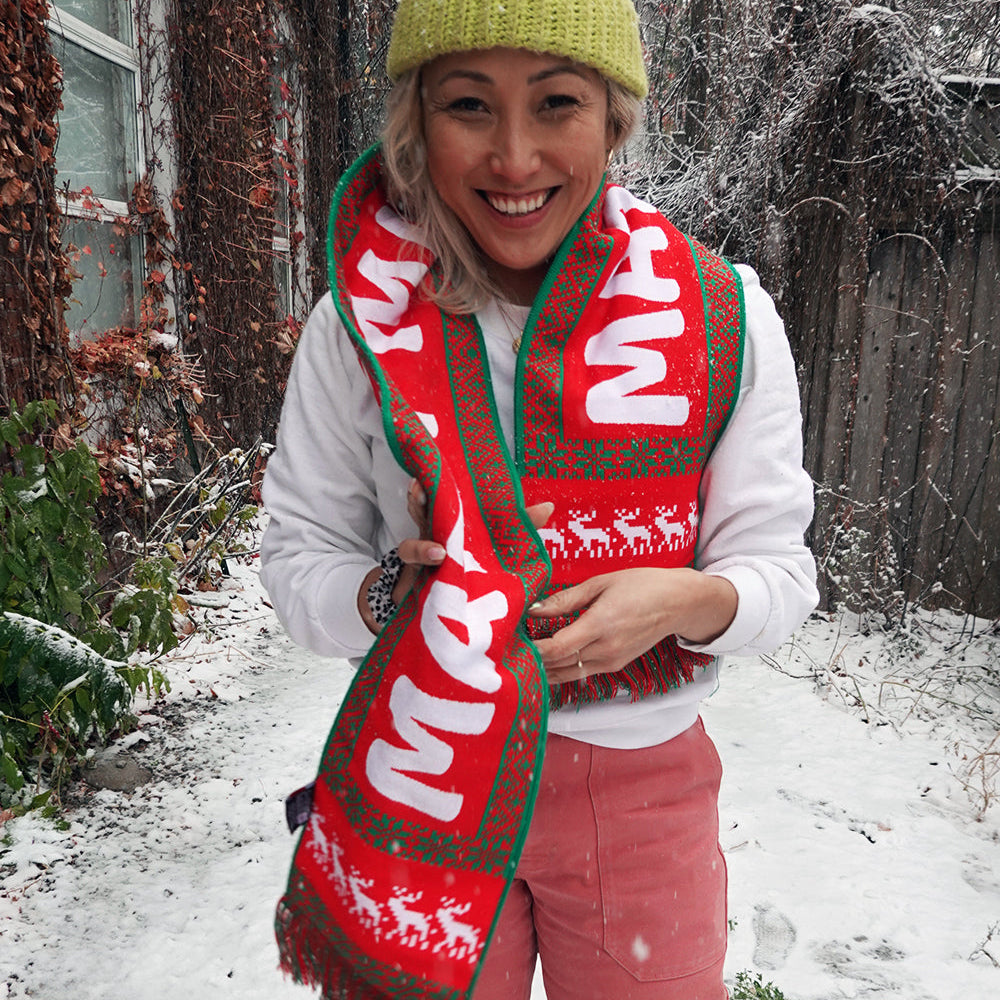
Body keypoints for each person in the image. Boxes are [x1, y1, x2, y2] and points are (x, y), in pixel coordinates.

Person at [260, 1, 818, 998]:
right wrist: (384, 599)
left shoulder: (720, 317)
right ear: (415, 122)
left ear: (611, 119)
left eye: (555, 102)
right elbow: (300, 555)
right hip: (426, 777)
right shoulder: (359, 330)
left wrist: (683, 601)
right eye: (469, 104)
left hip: (636, 801)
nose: (513, 158)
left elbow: (776, 569)